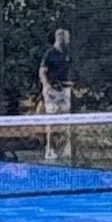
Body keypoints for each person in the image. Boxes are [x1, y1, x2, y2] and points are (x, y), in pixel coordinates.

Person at [38, 27, 74, 158]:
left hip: (65, 90)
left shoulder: (67, 54)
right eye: (66, 38)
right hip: (52, 90)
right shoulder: (50, 53)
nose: (68, 41)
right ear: (60, 39)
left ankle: (67, 148)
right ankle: (49, 149)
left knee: (67, 120)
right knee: (51, 120)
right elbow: (42, 72)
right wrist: (46, 86)